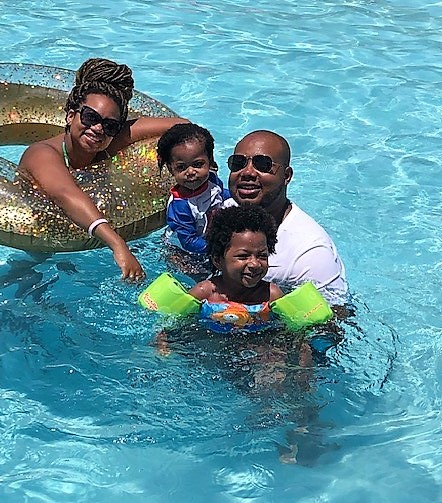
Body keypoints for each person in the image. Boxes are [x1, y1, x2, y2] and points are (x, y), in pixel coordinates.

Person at [17, 57, 188, 281]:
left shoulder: (109, 140)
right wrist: (118, 244)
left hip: (88, 249)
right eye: (90, 117)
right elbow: (66, 194)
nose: (97, 128)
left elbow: (184, 126)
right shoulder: (41, 154)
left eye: (109, 125)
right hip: (40, 246)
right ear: (70, 115)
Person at [224, 130, 347, 302]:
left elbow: (332, 322)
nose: (247, 172)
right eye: (238, 163)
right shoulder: (226, 210)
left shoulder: (309, 253)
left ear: (286, 176)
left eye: (263, 165)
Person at [187, 204, 284, 332]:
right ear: (217, 260)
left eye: (262, 255)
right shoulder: (204, 293)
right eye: (243, 256)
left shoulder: (271, 295)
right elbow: (172, 325)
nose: (254, 264)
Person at [157, 122, 230, 255]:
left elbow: (221, 194)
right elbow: (189, 242)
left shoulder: (211, 179)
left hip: (206, 236)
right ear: (170, 169)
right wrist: (224, 249)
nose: (190, 172)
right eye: (181, 167)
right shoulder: (180, 206)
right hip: (182, 250)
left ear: (210, 161)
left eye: (197, 164)